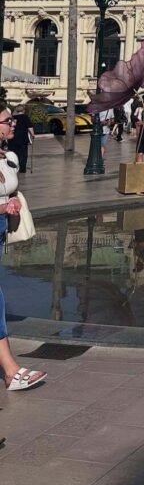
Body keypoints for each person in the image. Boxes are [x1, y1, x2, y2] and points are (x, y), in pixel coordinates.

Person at [0, 157, 46, 393]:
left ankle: (10, 371)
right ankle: (10, 371)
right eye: (7, 119)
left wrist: (14, 200)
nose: (13, 123)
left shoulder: (7, 156)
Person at [7, 105, 33, 174]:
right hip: (23, 138)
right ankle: (22, 169)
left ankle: (14, 167)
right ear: (23, 110)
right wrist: (32, 134)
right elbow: (30, 127)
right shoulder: (25, 117)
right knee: (23, 154)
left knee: (14, 153)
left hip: (13, 139)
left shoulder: (12, 117)